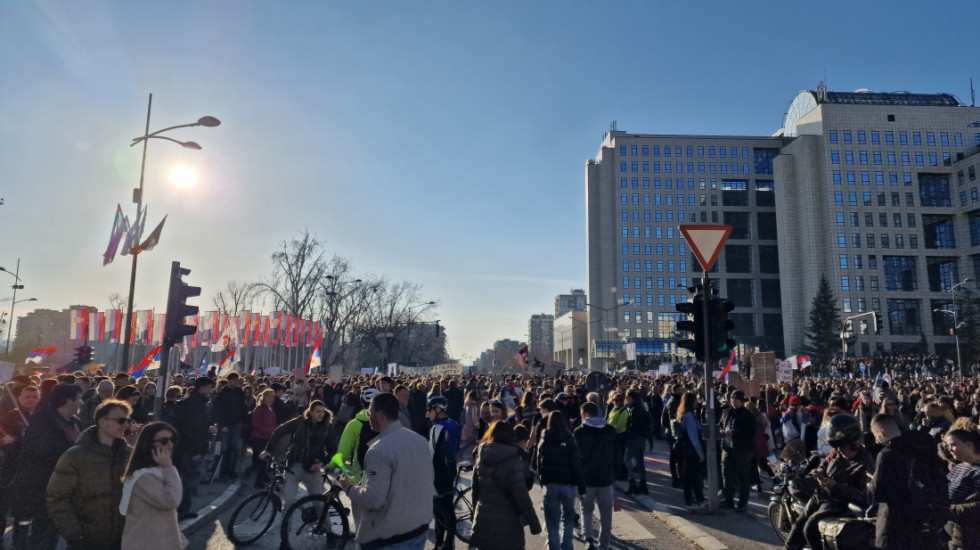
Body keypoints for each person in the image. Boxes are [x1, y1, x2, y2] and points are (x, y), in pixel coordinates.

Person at [339, 392, 433, 550]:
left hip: (390, 538)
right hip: (418, 529)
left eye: (370, 413)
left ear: (380, 415)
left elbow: (374, 500)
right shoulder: (420, 440)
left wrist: (348, 487)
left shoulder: (378, 450)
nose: (368, 417)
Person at [47, 399, 133, 550]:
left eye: (128, 420)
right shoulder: (76, 455)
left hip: (121, 538)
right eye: (121, 420)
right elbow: (57, 497)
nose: (126, 425)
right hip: (86, 540)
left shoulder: (128, 454)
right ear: (102, 422)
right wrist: (75, 533)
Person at [9, 383, 83, 550]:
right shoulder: (44, 420)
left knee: (53, 532)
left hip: (64, 487)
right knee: (41, 533)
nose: (81, 402)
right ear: (67, 400)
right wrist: (70, 452)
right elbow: (37, 451)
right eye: (78, 398)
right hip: (41, 485)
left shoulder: (75, 421)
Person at [784, 414, 874, 550]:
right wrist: (818, 472)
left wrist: (836, 486)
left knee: (810, 528)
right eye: (836, 447)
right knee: (798, 526)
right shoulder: (836, 452)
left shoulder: (865, 464)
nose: (838, 451)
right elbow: (824, 463)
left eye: (842, 447)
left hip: (839, 504)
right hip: (821, 495)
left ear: (852, 443)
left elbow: (864, 495)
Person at [870, 413, 949, 550]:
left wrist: (870, 483)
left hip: (895, 521)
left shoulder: (887, 454)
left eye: (876, 436)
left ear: (880, 431)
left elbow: (878, 493)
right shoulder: (924, 445)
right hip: (926, 516)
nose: (877, 440)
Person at [470, 421, 542, 550]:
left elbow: (475, 491)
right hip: (508, 523)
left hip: (484, 520)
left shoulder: (482, 457)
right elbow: (522, 496)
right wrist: (534, 524)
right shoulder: (513, 461)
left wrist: (475, 514)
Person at [119, 422, 187, 550]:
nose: (170, 444)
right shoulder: (144, 476)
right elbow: (171, 501)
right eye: (164, 441)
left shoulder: (155, 471)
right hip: (147, 543)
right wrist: (169, 468)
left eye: (172, 439)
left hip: (155, 540)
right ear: (148, 444)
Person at [261, 400, 335, 508]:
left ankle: (324, 525)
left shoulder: (327, 428)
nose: (321, 414)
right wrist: (268, 449)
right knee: (288, 502)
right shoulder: (300, 422)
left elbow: (333, 450)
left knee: (319, 504)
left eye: (323, 411)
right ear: (310, 412)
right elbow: (279, 431)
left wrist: (321, 463)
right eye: (318, 411)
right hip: (294, 466)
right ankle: (286, 525)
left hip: (313, 469)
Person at [535, 411, 584, 550]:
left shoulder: (544, 439)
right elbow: (576, 464)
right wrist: (580, 486)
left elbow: (539, 464)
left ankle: (554, 547)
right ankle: (567, 546)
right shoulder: (569, 439)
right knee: (567, 520)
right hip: (568, 484)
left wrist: (542, 481)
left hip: (550, 484)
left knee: (552, 522)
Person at [169, 376, 214, 520]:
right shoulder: (195, 405)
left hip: (185, 447)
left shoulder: (196, 402)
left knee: (186, 479)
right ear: (200, 388)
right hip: (187, 448)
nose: (210, 389)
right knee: (187, 480)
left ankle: (183, 509)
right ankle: (181, 510)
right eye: (208, 387)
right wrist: (197, 451)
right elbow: (193, 429)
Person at [574, 402, 616, 550]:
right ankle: (604, 545)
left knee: (586, 510)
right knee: (606, 514)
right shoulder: (610, 430)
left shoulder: (579, 432)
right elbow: (616, 454)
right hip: (605, 477)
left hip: (587, 478)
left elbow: (576, 457)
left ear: (585, 414)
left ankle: (589, 540)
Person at [427, 395, 461, 550]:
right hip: (451, 466)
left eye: (429, 410)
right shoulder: (454, 423)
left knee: (440, 509)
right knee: (447, 508)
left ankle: (443, 544)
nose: (427, 413)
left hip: (438, 469)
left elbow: (430, 453)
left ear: (438, 409)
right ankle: (446, 543)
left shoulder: (437, 427)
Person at [944, 429, 980, 550]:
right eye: (948, 446)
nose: (949, 449)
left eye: (953, 444)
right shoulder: (958, 467)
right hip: (955, 533)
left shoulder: (978, 471)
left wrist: (949, 509)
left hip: (971, 537)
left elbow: (976, 507)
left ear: (969, 444)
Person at [719, 390, 755, 512]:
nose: (733, 401)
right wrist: (721, 431)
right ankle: (728, 499)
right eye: (732, 399)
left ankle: (742, 503)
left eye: (736, 399)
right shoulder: (726, 412)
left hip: (741, 450)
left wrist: (734, 432)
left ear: (741, 400)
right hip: (727, 448)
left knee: (742, 477)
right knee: (727, 475)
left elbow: (750, 431)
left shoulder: (747, 415)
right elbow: (721, 424)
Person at [336, 388, 379, 482]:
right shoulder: (385, 423)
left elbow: (343, 453)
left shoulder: (354, 424)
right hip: (381, 475)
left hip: (359, 475)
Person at [673, 393, 706, 510]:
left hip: (685, 449)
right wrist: (700, 453)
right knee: (693, 476)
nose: (697, 402)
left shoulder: (682, 414)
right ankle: (693, 501)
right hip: (691, 449)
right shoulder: (690, 416)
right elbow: (693, 436)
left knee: (689, 475)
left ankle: (692, 500)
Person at [213, 372, 248, 480]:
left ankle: (232, 470)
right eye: (234, 380)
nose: (235, 382)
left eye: (237, 380)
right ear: (229, 380)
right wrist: (222, 425)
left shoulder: (238, 391)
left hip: (236, 423)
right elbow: (219, 410)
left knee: (235, 448)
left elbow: (242, 406)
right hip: (226, 424)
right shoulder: (223, 393)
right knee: (225, 449)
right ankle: (223, 471)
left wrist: (244, 420)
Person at [624, 389, 651, 494]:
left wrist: (629, 437)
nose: (626, 399)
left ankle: (633, 483)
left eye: (628, 397)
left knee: (627, 460)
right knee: (640, 461)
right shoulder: (641, 408)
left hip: (634, 438)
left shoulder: (634, 410)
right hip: (641, 438)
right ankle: (642, 484)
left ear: (632, 398)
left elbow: (633, 426)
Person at [248, 388, 277, 488]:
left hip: (267, 437)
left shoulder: (271, 408)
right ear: (265, 397)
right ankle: (259, 481)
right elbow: (256, 423)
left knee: (263, 461)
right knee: (261, 461)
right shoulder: (260, 408)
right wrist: (268, 432)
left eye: (273, 396)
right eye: (270, 396)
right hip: (259, 438)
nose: (273, 398)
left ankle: (263, 478)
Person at [605, 392, 628, 482]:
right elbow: (608, 419)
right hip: (612, 436)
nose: (615, 402)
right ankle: (615, 473)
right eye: (614, 400)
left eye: (617, 400)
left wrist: (610, 427)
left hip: (620, 436)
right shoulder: (614, 409)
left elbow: (621, 426)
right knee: (614, 456)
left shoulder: (624, 411)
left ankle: (622, 475)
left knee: (621, 456)